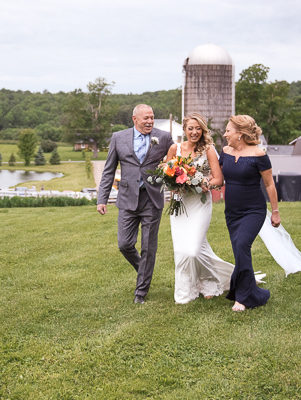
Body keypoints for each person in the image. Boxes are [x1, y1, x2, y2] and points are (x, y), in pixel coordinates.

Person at [97, 104, 173, 304]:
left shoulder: (164, 138)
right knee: (125, 244)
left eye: (152, 117)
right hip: (127, 198)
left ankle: (141, 292)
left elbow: (176, 161)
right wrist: (102, 198)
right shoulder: (118, 137)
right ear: (134, 119)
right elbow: (108, 170)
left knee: (149, 247)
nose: (149, 121)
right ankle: (144, 270)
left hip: (152, 198)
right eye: (145, 118)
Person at [165, 113, 235, 304]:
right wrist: (173, 182)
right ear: (185, 130)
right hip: (180, 204)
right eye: (190, 128)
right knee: (182, 249)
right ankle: (189, 289)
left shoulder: (209, 149)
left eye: (198, 128)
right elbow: (166, 171)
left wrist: (206, 183)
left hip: (201, 203)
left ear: (203, 130)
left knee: (194, 248)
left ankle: (210, 279)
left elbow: (218, 179)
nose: (194, 132)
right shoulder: (175, 148)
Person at [220, 115, 281, 312]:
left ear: (239, 133)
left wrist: (276, 212)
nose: (225, 134)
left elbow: (269, 183)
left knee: (242, 245)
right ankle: (243, 288)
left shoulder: (259, 154)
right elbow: (219, 178)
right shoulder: (225, 151)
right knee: (238, 250)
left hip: (253, 209)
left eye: (228, 130)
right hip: (232, 211)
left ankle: (244, 297)